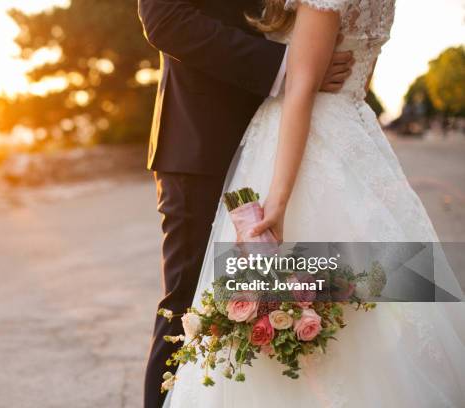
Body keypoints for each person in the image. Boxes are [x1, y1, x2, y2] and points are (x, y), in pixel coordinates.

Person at [163, 0, 465, 407]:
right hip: (353, 140)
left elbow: (302, 87)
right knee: (368, 288)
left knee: (312, 284)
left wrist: (279, 201)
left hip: (299, 146)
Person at [137, 0, 355, 406]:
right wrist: (289, 67)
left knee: (299, 300)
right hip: (203, 143)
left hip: (296, 142)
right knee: (190, 308)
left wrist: (307, 64)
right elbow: (164, 20)